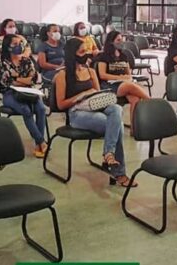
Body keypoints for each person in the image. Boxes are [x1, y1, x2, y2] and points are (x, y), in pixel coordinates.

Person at [54, 38, 135, 187]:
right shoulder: (62, 75)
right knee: (117, 126)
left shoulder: (91, 71)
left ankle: (108, 155)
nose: (86, 54)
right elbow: (60, 104)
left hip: (94, 106)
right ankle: (118, 172)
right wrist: (81, 96)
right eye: (82, 52)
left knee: (116, 109)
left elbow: (99, 96)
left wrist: (93, 94)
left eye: (87, 50)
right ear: (72, 54)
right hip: (76, 113)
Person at [0, 34, 47, 158]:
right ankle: (41, 141)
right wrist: (24, 80)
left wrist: (17, 79)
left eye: (20, 43)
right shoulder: (4, 63)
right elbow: (7, 82)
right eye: (15, 44)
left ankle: (38, 143)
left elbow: (33, 79)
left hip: (29, 92)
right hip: (10, 93)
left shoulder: (26, 60)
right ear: (8, 47)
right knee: (26, 110)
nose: (19, 46)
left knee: (41, 109)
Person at [95, 30, 150, 132]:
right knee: (129, 86)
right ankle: (151, 101)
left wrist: (127, 78)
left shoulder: (123, 56)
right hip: (109, 85)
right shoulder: (104, 56)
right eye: (118, 40)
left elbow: (128, 73)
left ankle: (134, 129)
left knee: (135, 99)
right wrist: (119, 78)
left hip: (123, 83)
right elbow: (102, 75)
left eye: (122, 39)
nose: (121, 42)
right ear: (111, 42)